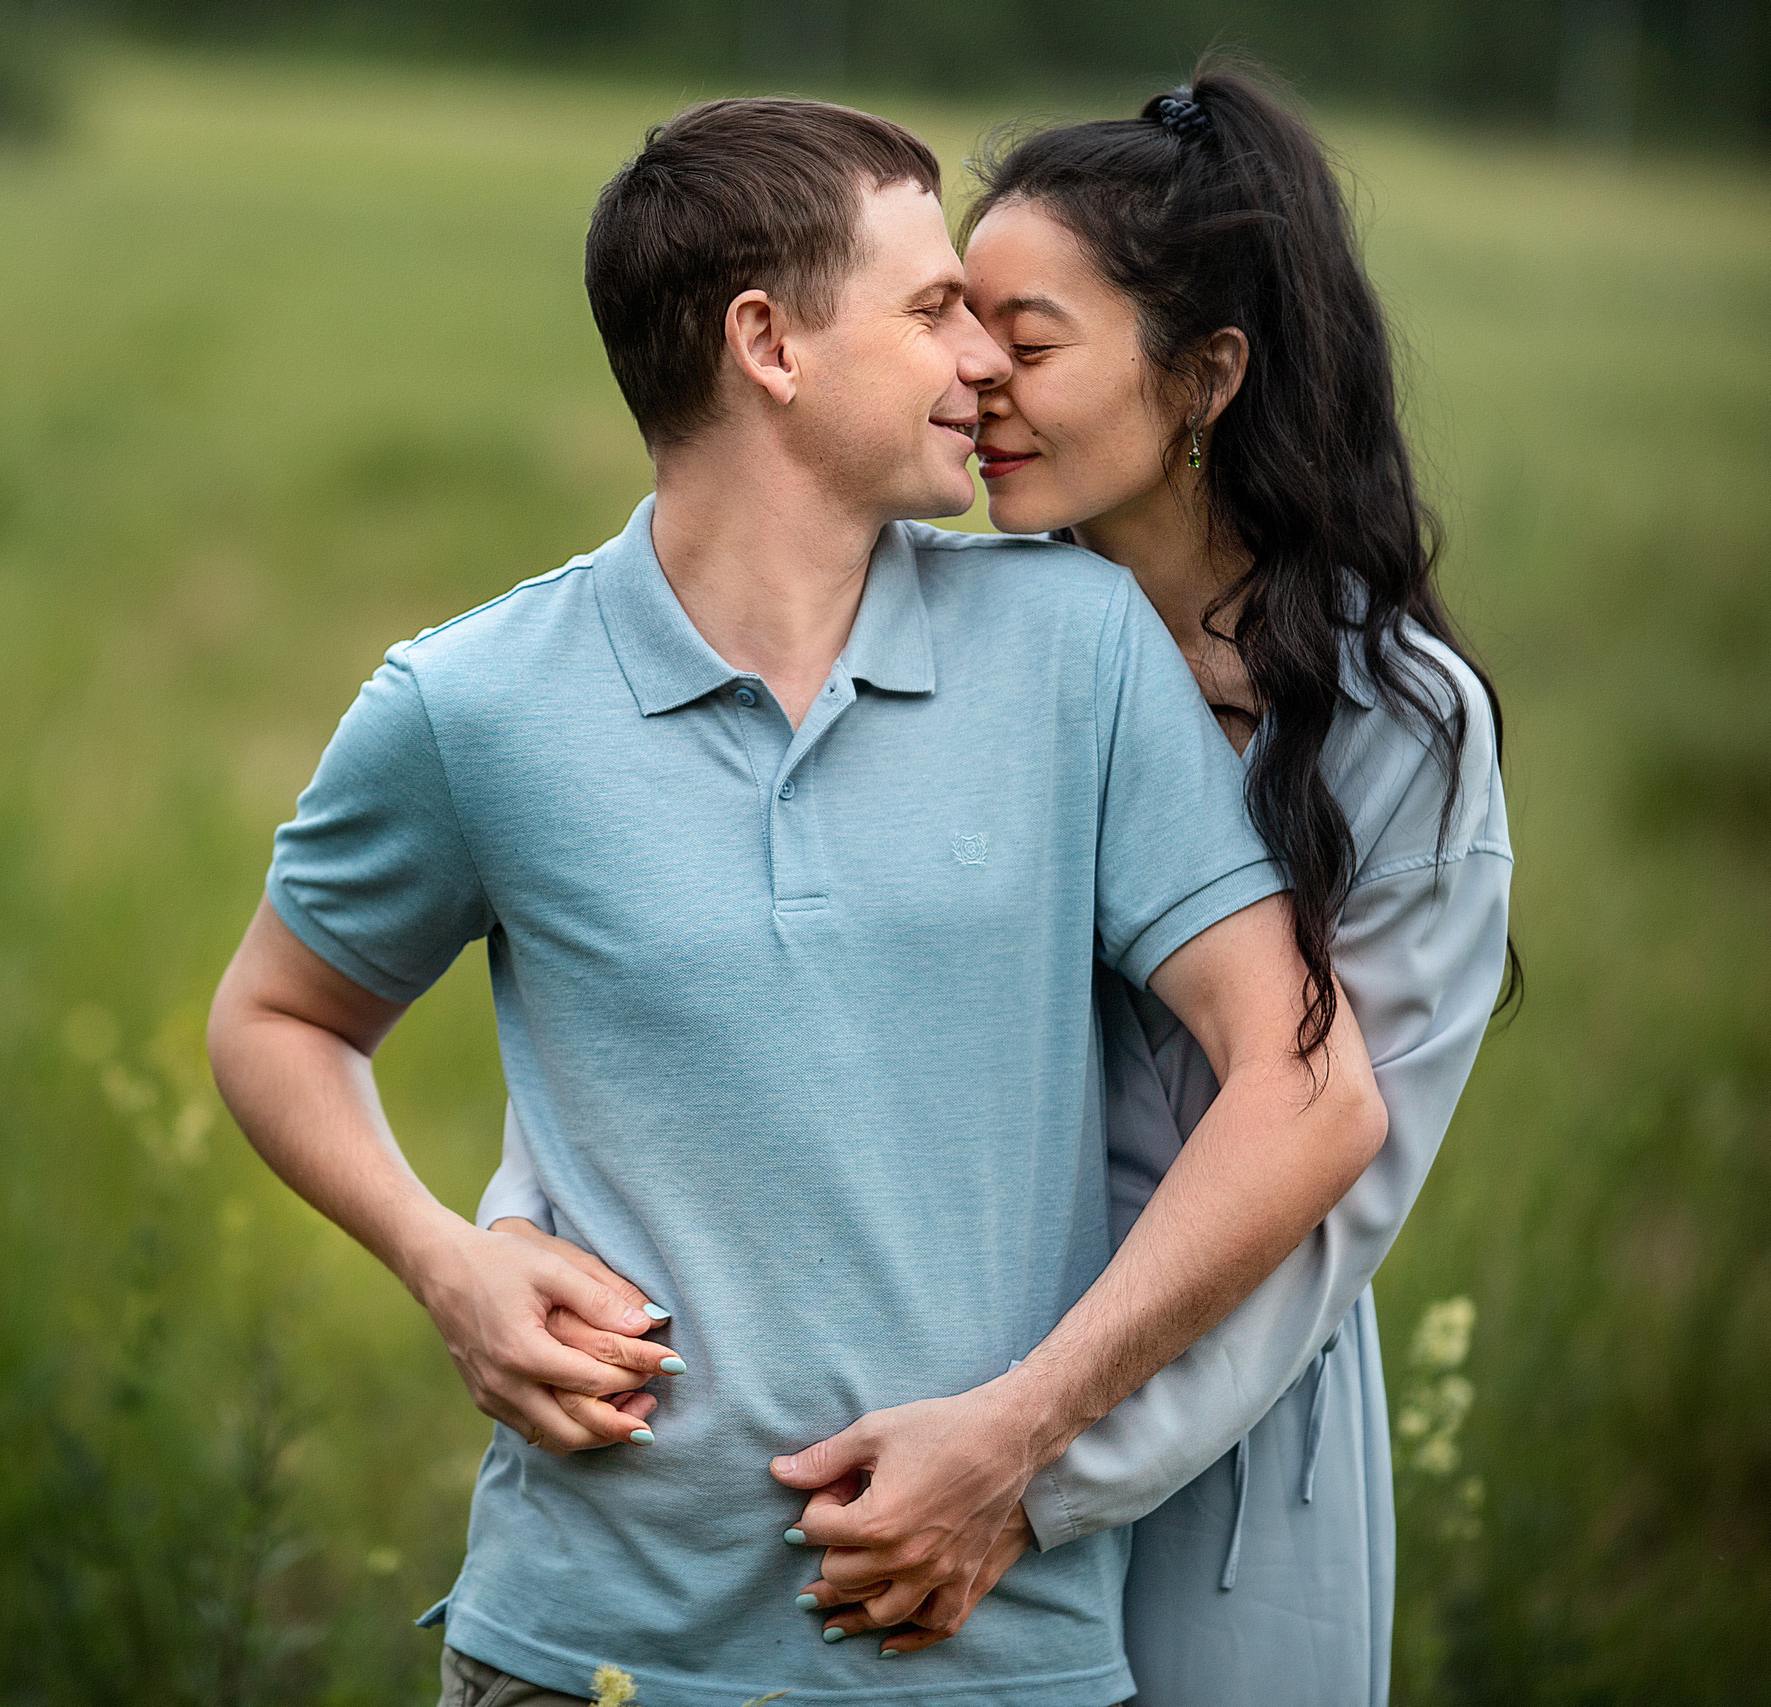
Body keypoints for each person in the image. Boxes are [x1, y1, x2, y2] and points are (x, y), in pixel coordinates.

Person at [205, 97, 1386, 1707]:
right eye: (930, 310)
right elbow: (277, 1017)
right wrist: (442, 1260)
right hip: (580, 1654)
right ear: (768, 344)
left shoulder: (1079, 652)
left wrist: (1021, 1437)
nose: (982, 361)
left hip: (993, 1660)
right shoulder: (472, 706)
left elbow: (1310, 1090)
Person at [481, 62, 1515, 1698]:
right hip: (912, 1425)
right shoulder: (974, 636)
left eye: (1028, 345)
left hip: (1206, 1429)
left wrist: (1030, 1473)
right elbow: (714, 994)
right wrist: (517, 1231)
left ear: (1204, 379)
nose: (974, 381)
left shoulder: (1399, 727)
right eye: (957, 324)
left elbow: (1331, 1193)